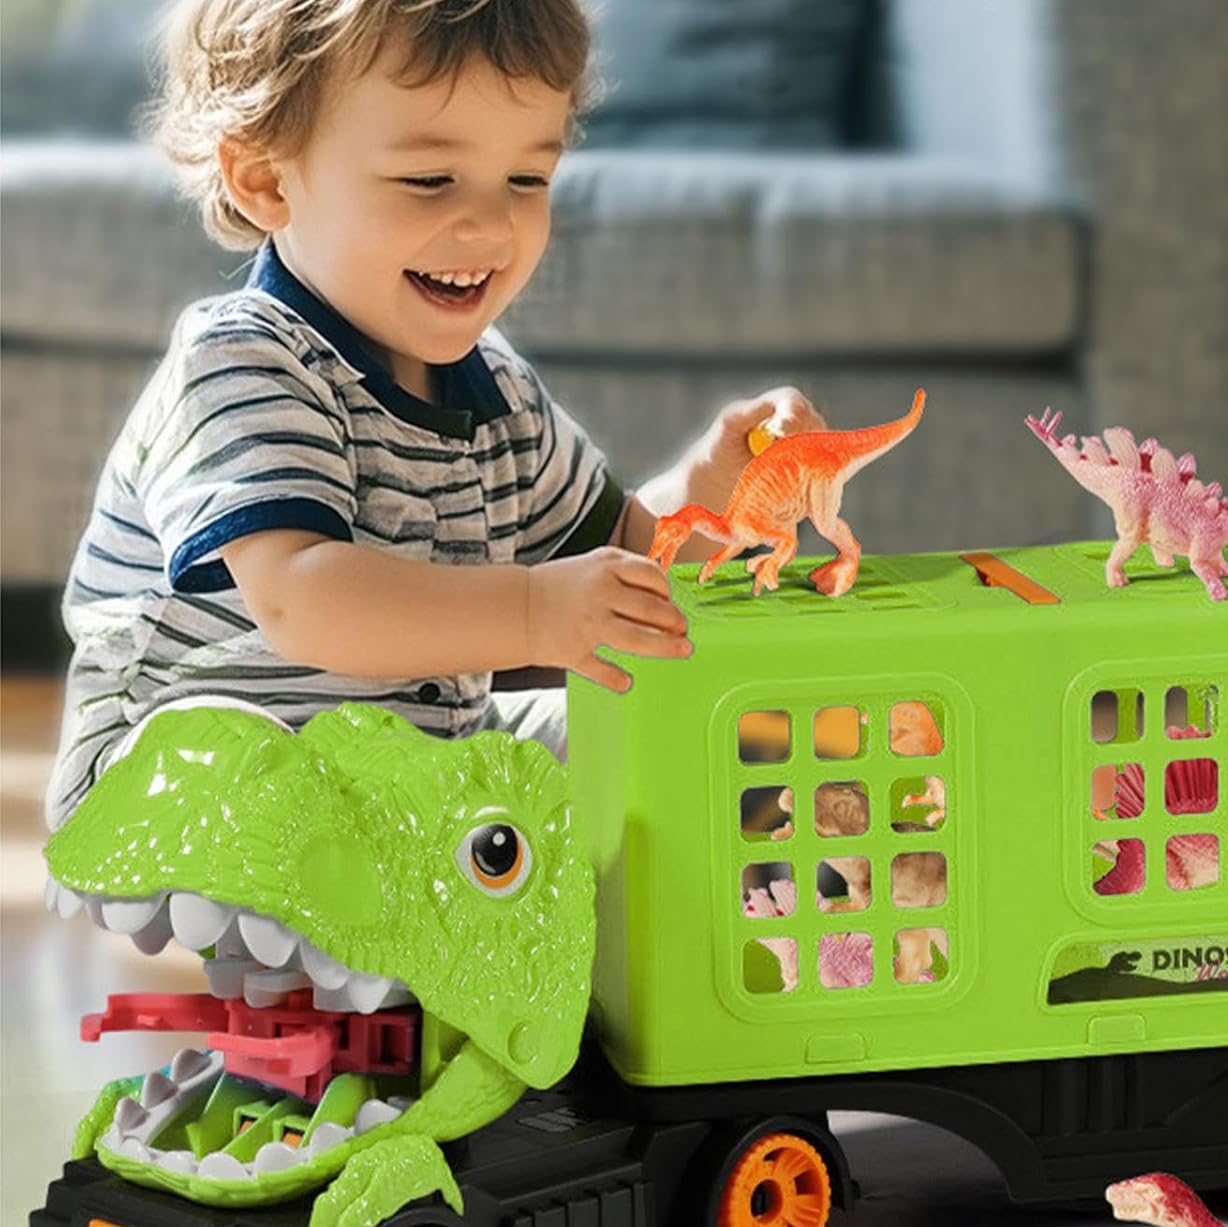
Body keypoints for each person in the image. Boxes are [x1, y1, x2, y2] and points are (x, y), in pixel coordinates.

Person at [44, 0, 823, 829]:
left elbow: (621, 560)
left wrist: (713, 490)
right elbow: (301, 600)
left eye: (527, 179)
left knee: (681, 735)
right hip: (176, 794)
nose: (490, 224)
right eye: (429, 179)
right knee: (247, 780)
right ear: (267, 180)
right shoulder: (240, 362)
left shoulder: (498, 392)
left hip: (413, 770)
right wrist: (533, 613)